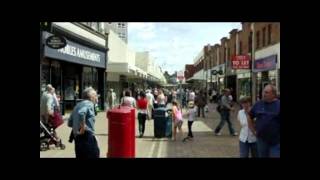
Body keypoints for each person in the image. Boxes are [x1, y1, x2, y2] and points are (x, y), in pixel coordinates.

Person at [248, 84, 280, 158]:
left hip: (276, 141)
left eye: (266, 92)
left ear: (273, 94)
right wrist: (253, 130)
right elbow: (250, 117)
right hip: (261, 140)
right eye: (263, 92)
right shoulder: (258, 104)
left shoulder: (278, 105)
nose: (263, 94)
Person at [67, 87, 100, 158]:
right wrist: (82, 127)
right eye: (95, 96)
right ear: (91, 97)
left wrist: (77, 125)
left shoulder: (77, 105)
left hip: (77, 139)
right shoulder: (89, 103)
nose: (96, 98)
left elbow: (69, 123)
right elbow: (81, 113)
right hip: (86, 137)